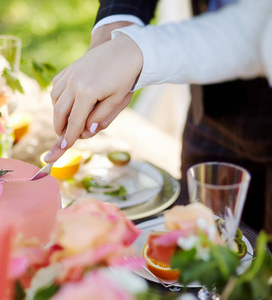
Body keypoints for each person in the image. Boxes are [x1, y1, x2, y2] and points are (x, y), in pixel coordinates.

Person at [43, 0, 272, 233]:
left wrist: (134, 51)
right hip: (207, 107)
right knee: (200, 243)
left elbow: (262, 27)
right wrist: (114, 29)